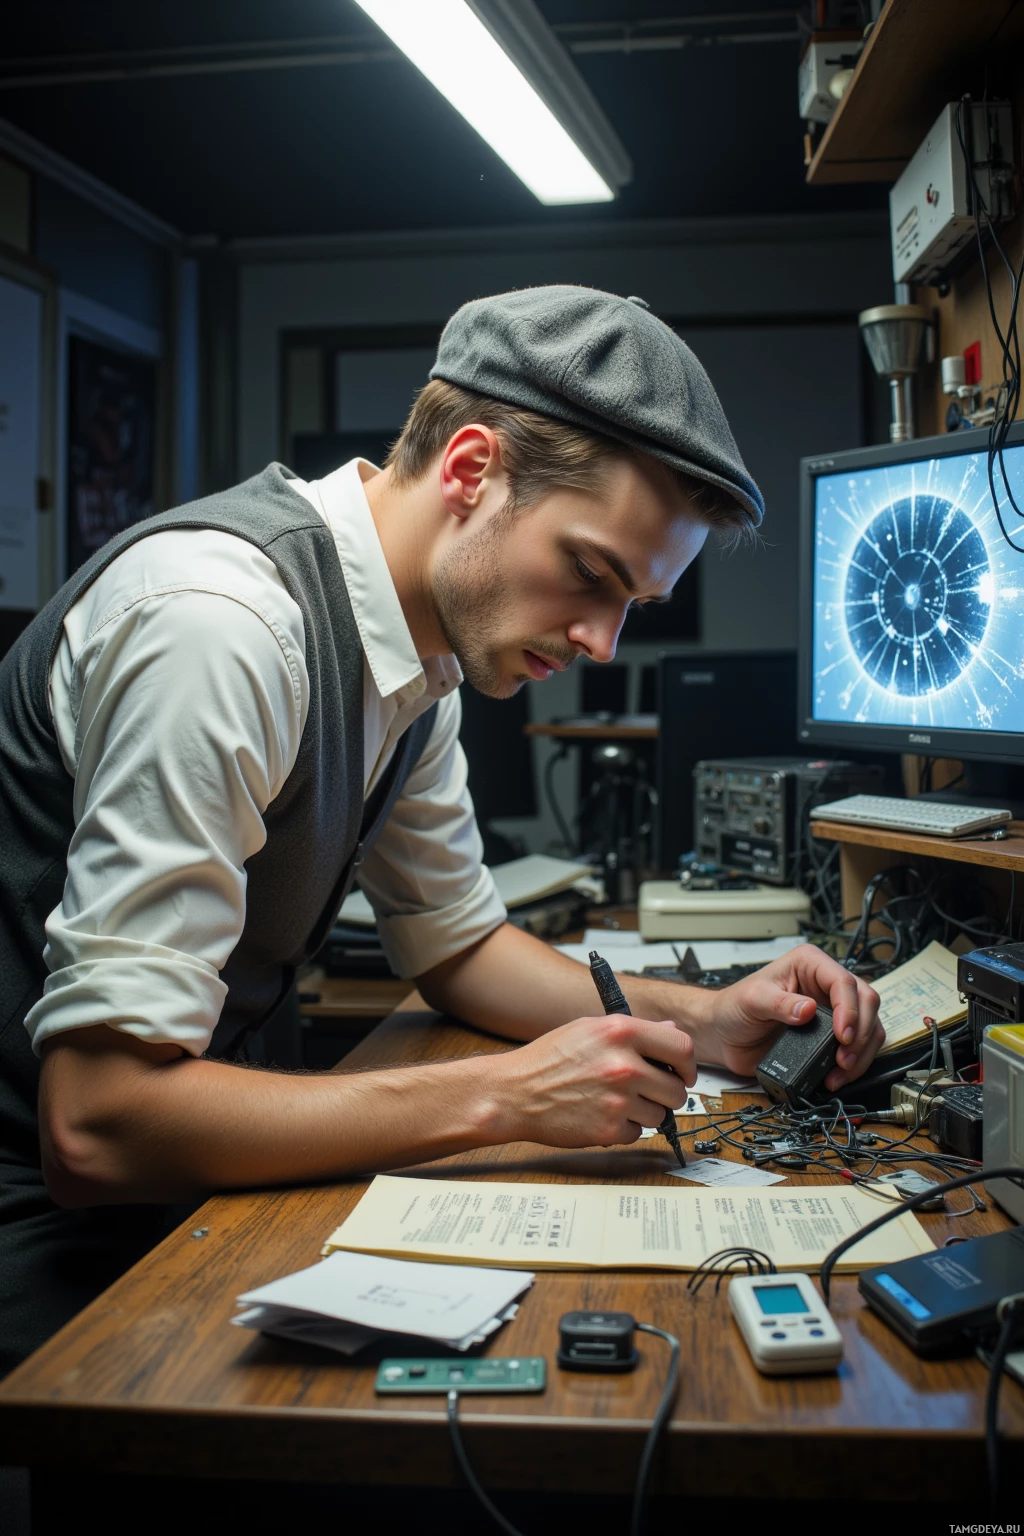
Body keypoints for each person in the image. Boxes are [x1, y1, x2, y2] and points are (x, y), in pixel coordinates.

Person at [0, 286, 883, 1375]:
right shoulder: (221, 628)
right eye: (591, 575)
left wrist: (712, 1023)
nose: (603, 642)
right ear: (470, 470)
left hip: (204, 1181)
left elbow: (457, 950)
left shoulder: (425, 660)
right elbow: (97, 1124)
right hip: (53, 1221)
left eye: (632, 607)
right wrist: (507, 1096)